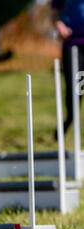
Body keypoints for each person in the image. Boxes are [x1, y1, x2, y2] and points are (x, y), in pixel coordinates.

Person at [51, 0, 84, 135]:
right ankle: (70, 118)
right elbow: (54, 14)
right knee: (76, 87)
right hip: (73, 45)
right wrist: (60, 27)